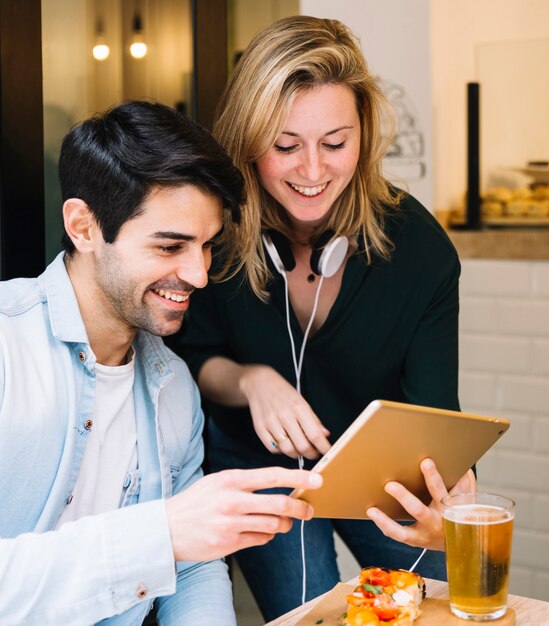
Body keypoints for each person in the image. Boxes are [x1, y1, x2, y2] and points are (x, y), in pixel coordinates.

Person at [178, 16, 475, 621]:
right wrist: (251, 380)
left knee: (433, 607)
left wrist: (454, 497)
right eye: (285, 146)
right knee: (309, 612)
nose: (313, 172)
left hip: (380, 476)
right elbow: (192, 358)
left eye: (335, 144)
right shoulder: (214, 231)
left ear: (364, 137)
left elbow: (436, 413)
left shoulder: (420, 251)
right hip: (260, 470)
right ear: (247, 139)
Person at [0, 100, 323, 626]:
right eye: (170, 246)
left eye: (207, 247)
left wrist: (177, 541)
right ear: (83, 227)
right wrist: (161, 535)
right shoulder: (6, 347)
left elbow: (193, 567)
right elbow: (173, 539)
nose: (198, 275)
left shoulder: (175, 387)